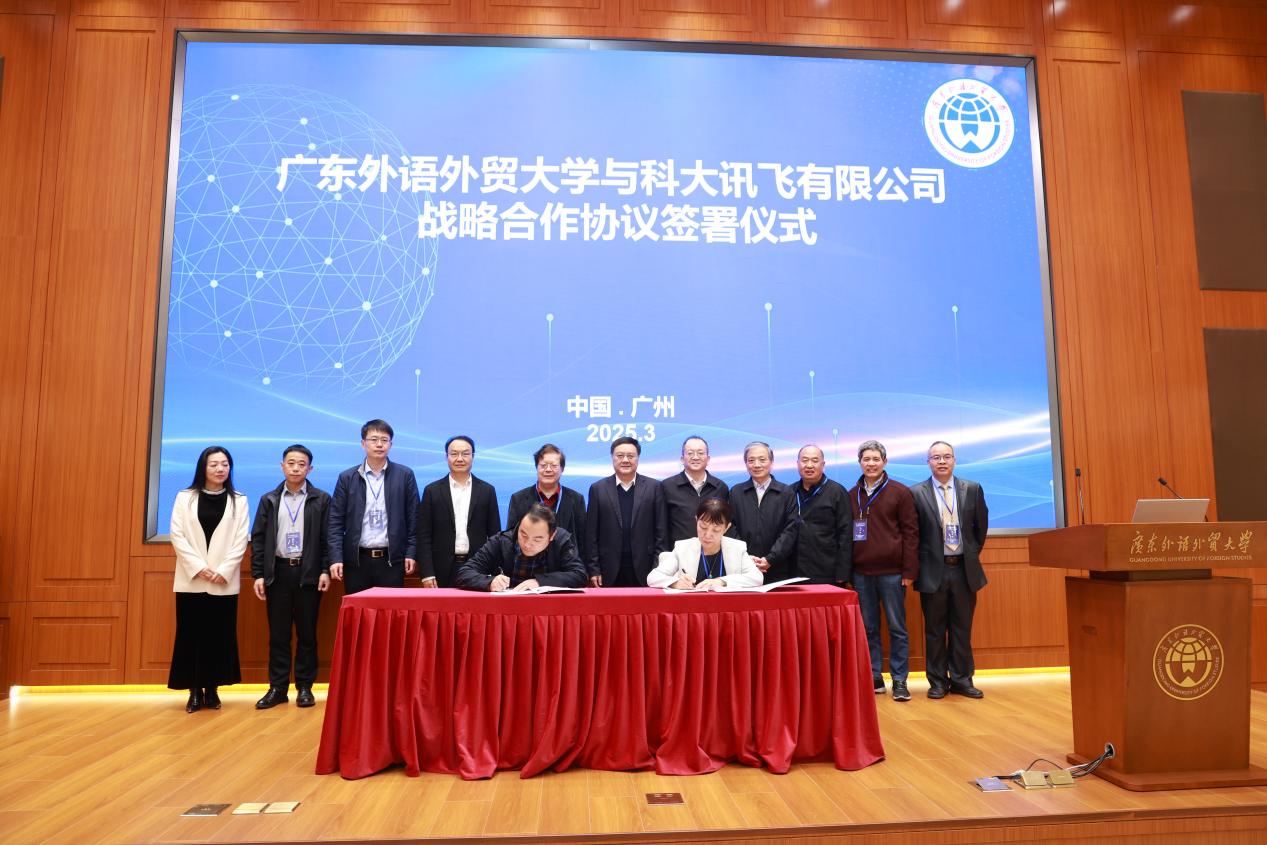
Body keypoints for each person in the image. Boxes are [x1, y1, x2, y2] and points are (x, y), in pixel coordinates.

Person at [167, 446, 249, 713]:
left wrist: (223, 570)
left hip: (223, 581)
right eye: (214, 464)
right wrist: (199, 568)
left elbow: (240, 540)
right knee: (191, 635)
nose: (220, 469)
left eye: (225, 464)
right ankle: (194, 691)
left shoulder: (239, 500)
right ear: (203, 467)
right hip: (191, 579)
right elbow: (177, 535)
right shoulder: (185, 497)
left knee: (219, 636)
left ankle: (212, 690)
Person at [249, 444, 330, 710]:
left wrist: (325, 570)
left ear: (310, 469)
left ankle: (305, 687)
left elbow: (328, 539)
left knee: (307, 633)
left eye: (301, 464)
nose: (296, 468)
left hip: (308, 573)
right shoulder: (269, 499)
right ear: (282, 466)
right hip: (278, 573)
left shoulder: (321, 499)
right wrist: (258, 574)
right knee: (279, 634)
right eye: (291, 463)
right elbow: (258, 539)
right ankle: (278, 688)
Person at [910, 440, 989, 699]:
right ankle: (937, 682)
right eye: (936, 457)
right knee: (934, 630)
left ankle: (962, 679)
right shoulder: (916, 493)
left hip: (964, 570)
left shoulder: (972, 489)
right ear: (928, 462)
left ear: (954, 460)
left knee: (962, 628)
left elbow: (980, 528)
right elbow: (913, 535)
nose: (942, 461)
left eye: (946, 456)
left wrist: (970, 554)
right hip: (933, 571)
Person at [847, 440, 919, 702]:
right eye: (866, 459)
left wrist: (909, 571)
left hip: (893, 573)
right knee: (868, 628)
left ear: (885, 462)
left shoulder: (900, 492)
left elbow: (911, 534)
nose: (871, 464)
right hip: (861, 574)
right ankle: (874, 675)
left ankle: (899, 680)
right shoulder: (851, 494)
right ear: (860, 463)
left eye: (876, 459)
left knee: (897, 628)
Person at [327, 420, 419, 593]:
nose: (379, 444)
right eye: (374, 439)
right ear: (363, 443)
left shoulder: (405, 475)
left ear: (391, 444)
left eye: (384, 440)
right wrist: (336, 558)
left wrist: (411, 553)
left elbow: (413, 518)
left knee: (390, 609)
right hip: (356, 562)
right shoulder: (347, 477)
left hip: (392, 561)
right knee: (358, 610)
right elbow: (335, 522)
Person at [584, 436, 668, 587]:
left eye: (630, 456)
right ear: (612, 458)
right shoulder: (598, 489)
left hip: (646, 568)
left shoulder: (654, 487)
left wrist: (658, 569)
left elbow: (661, 533)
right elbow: (591, 534)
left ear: (638, 458)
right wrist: (594, 569)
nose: (625, 460)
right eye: (620, 455)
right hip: (608, 569)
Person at [418, 435, 500, 588]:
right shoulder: (432, 491)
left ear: (473, 456)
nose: (460, 459)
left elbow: (495, 535)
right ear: (446, 457)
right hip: (441, 568)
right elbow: (423, 535)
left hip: (477, 567)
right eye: (454, 454)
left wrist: (493, 570)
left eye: (465, 454)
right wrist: (427, 573)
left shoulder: (487, 490)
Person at [455, 503, 588, 591]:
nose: (527, 544)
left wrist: (540, 582)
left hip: (548, 611)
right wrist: (489, 582)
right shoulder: (501, 541)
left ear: (551, 536)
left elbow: (579, 575)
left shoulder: (561, 541)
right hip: (507, 610)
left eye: (537, 539)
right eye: (523, 534)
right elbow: (464, 573)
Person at [647, 498, 763, 590]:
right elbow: (653, 577)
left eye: (716, 530)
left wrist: (722, 581)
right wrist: (675, 583)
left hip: (727, 607)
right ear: (696, 520)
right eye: (703, 527)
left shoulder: (737, 548)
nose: (707, 535)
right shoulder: (682, 548)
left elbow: (757, 578)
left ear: (727, 528)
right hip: (692, 607)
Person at [728, 441, 799, 581]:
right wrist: (745, 557)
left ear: (771, 462)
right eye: (751, 460)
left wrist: (771, 559)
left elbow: (790, 530)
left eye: (762, 459)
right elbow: (730, 527)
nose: (757, 465)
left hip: (777, 567)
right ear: (746, 464)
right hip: (741, 569)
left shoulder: (786, 493)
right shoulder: (736, 492)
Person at [790, 445, 853, 585]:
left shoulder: (837, 492)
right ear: (797, 464)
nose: (809, 465)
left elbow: (846, 534)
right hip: (794, 571)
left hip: (827, 570)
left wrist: (843, 572)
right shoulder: (789, 492)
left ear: (823, 464)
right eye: (804, 460)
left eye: (814, 460)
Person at [506, 443, 585, 553]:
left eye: (554, 465)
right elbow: (511, 539)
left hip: (566, 561)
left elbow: (583, 540)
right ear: (536, 467)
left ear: (562, 469)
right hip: (529, 561)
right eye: (543, 465)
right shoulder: (518, 499)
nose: (548, 469)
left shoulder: (576, 499)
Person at [662, 435, 729, 543]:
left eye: (700, 453)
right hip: (678, 551)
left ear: (708, 459)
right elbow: (661, 526)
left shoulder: (720, 487)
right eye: (690, 453)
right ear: (682, 459)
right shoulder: (667, 486)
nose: (695, 457)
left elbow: (725, 524)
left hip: (712, 550)